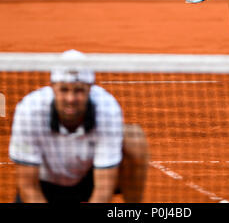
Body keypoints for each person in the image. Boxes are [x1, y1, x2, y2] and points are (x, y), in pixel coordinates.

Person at [9, 50, 149, 203]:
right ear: (53, 87)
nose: (71, 99)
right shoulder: (29, 110)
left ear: (90, 88)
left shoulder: (107, 109)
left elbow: (104, 188)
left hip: (87, 182)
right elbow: (28, 186)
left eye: (78, 90)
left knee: (134, 138)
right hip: (44, 186)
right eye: (64, 89)